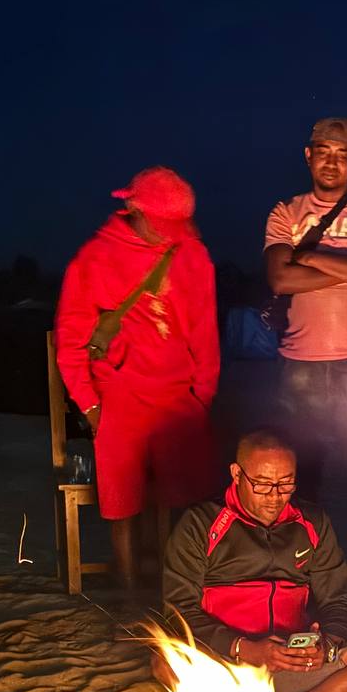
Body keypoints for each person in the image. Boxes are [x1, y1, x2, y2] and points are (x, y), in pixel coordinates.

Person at [160, 431, 347, 692]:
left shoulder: (312, 521)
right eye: (263, 484)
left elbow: (338, 599)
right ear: (236, 474)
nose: (275, 496)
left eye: (286, 483)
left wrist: (327, 644)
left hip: (293, 659)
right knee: (166, 662)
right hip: (227, 659)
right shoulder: (200, 523)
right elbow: (178, 609)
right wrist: (245, 649)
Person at [56, 167, 219, 590]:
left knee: (184, 494)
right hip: (119, 394)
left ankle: (176, 586)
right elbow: (72, 342)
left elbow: (205, 335)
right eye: (161, 224)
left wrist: (202, 398)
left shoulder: (194, 255)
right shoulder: (93, 258)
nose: (169, 234)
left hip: (178, 397)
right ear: (132, 207)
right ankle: (127, 589)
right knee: (122, 498)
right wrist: (89, 404)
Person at [264, 117, 347, 613]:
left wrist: (311, 260)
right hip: (300, 365)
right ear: (308, 154)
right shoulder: (285, 211)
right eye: (323, 151)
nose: (331, 161)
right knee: (300, 484)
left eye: (342, 154)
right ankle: (300, 587)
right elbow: (279, 280)